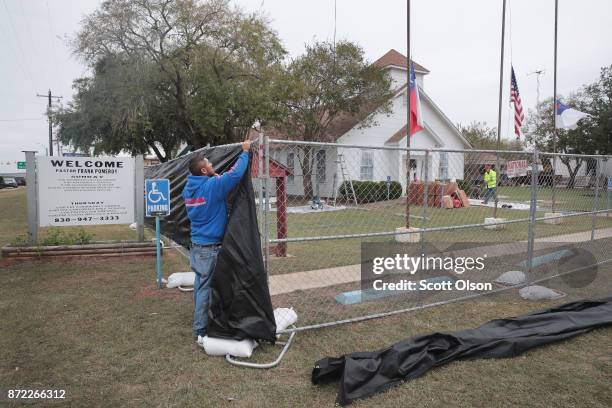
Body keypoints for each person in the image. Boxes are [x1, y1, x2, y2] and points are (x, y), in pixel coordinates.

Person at [182, 138, 252, 343]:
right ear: (203, 171)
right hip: (209, 248)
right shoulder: (212, 186)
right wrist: (245, 152)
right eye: (209, 164)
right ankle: (200, 331)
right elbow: (236, 174)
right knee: (204, 290)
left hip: (196, 246)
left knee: (199, 285)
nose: (213, 165)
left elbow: (210, 189)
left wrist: (214, 178)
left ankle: (200, 322)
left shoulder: (189, 189)